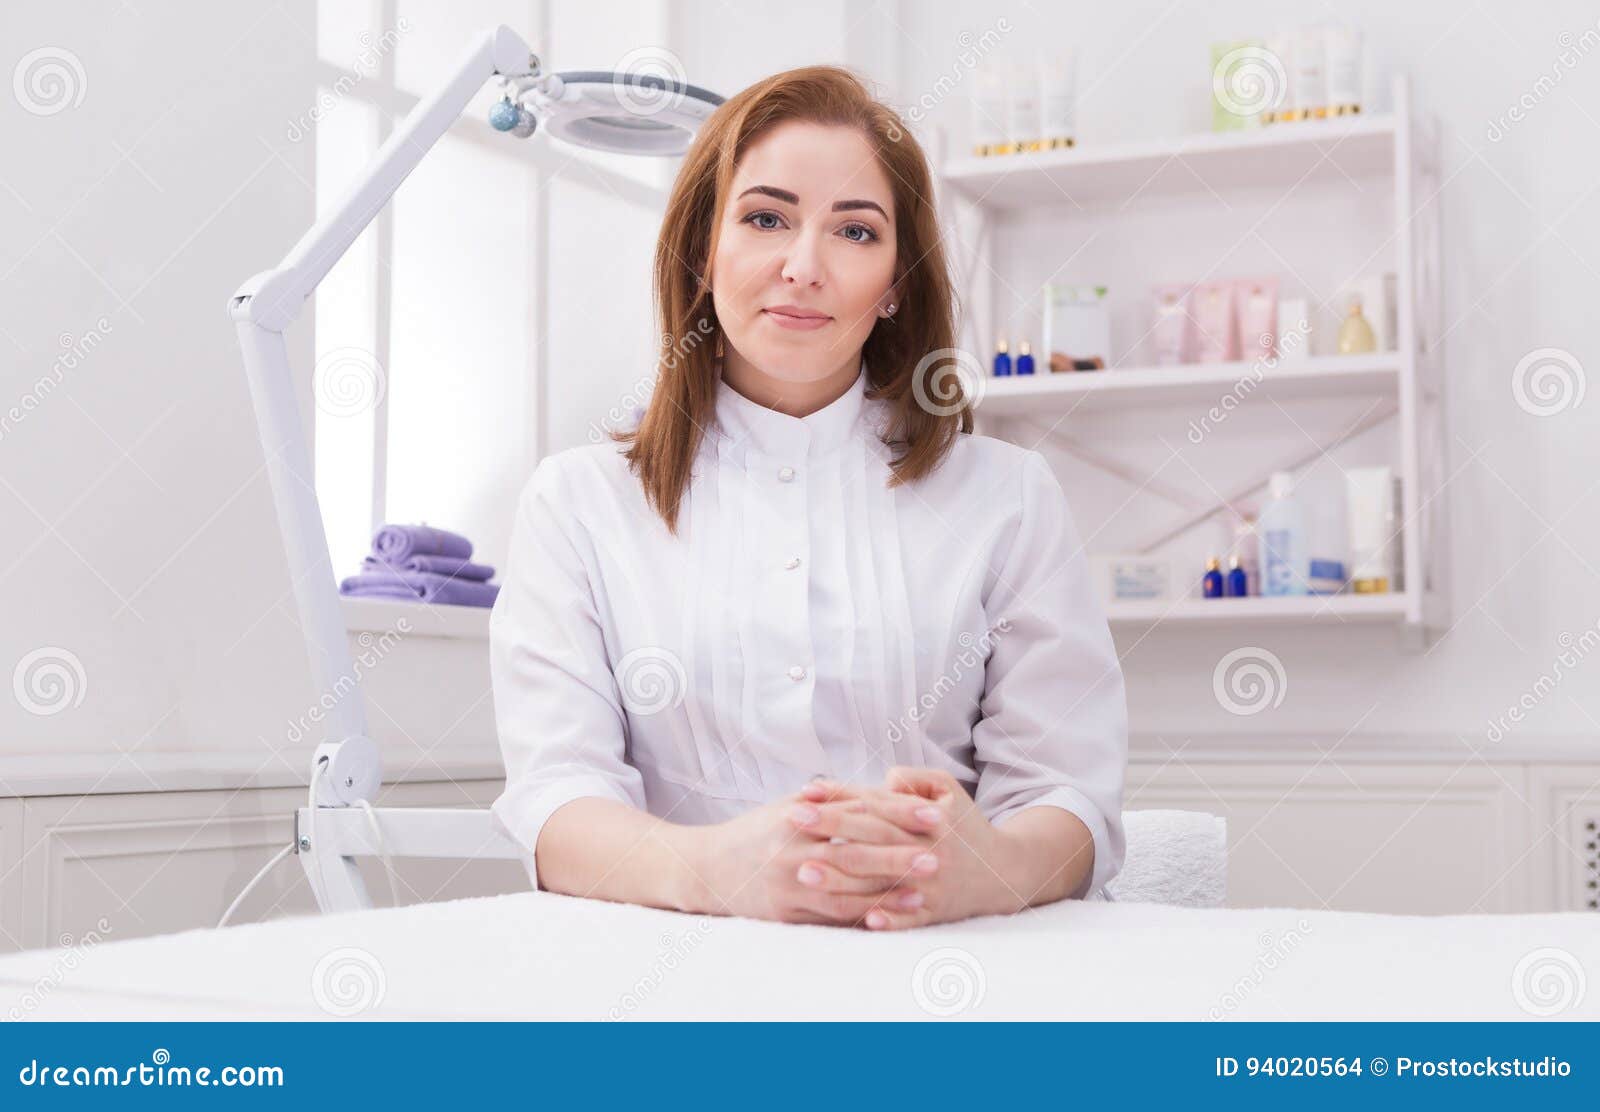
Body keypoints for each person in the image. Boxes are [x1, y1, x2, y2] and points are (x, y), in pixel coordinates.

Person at [489, 65, 1127, 930]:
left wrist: (988, 870)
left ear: (898, 280)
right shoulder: (577, 503)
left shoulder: (1008, 496)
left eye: (856, 233)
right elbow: (558, 802)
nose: (803, 267)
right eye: (764, 219)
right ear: (702, 251)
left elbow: (1067, 789)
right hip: (675, 984)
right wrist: (719, 868)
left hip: (954, 969)